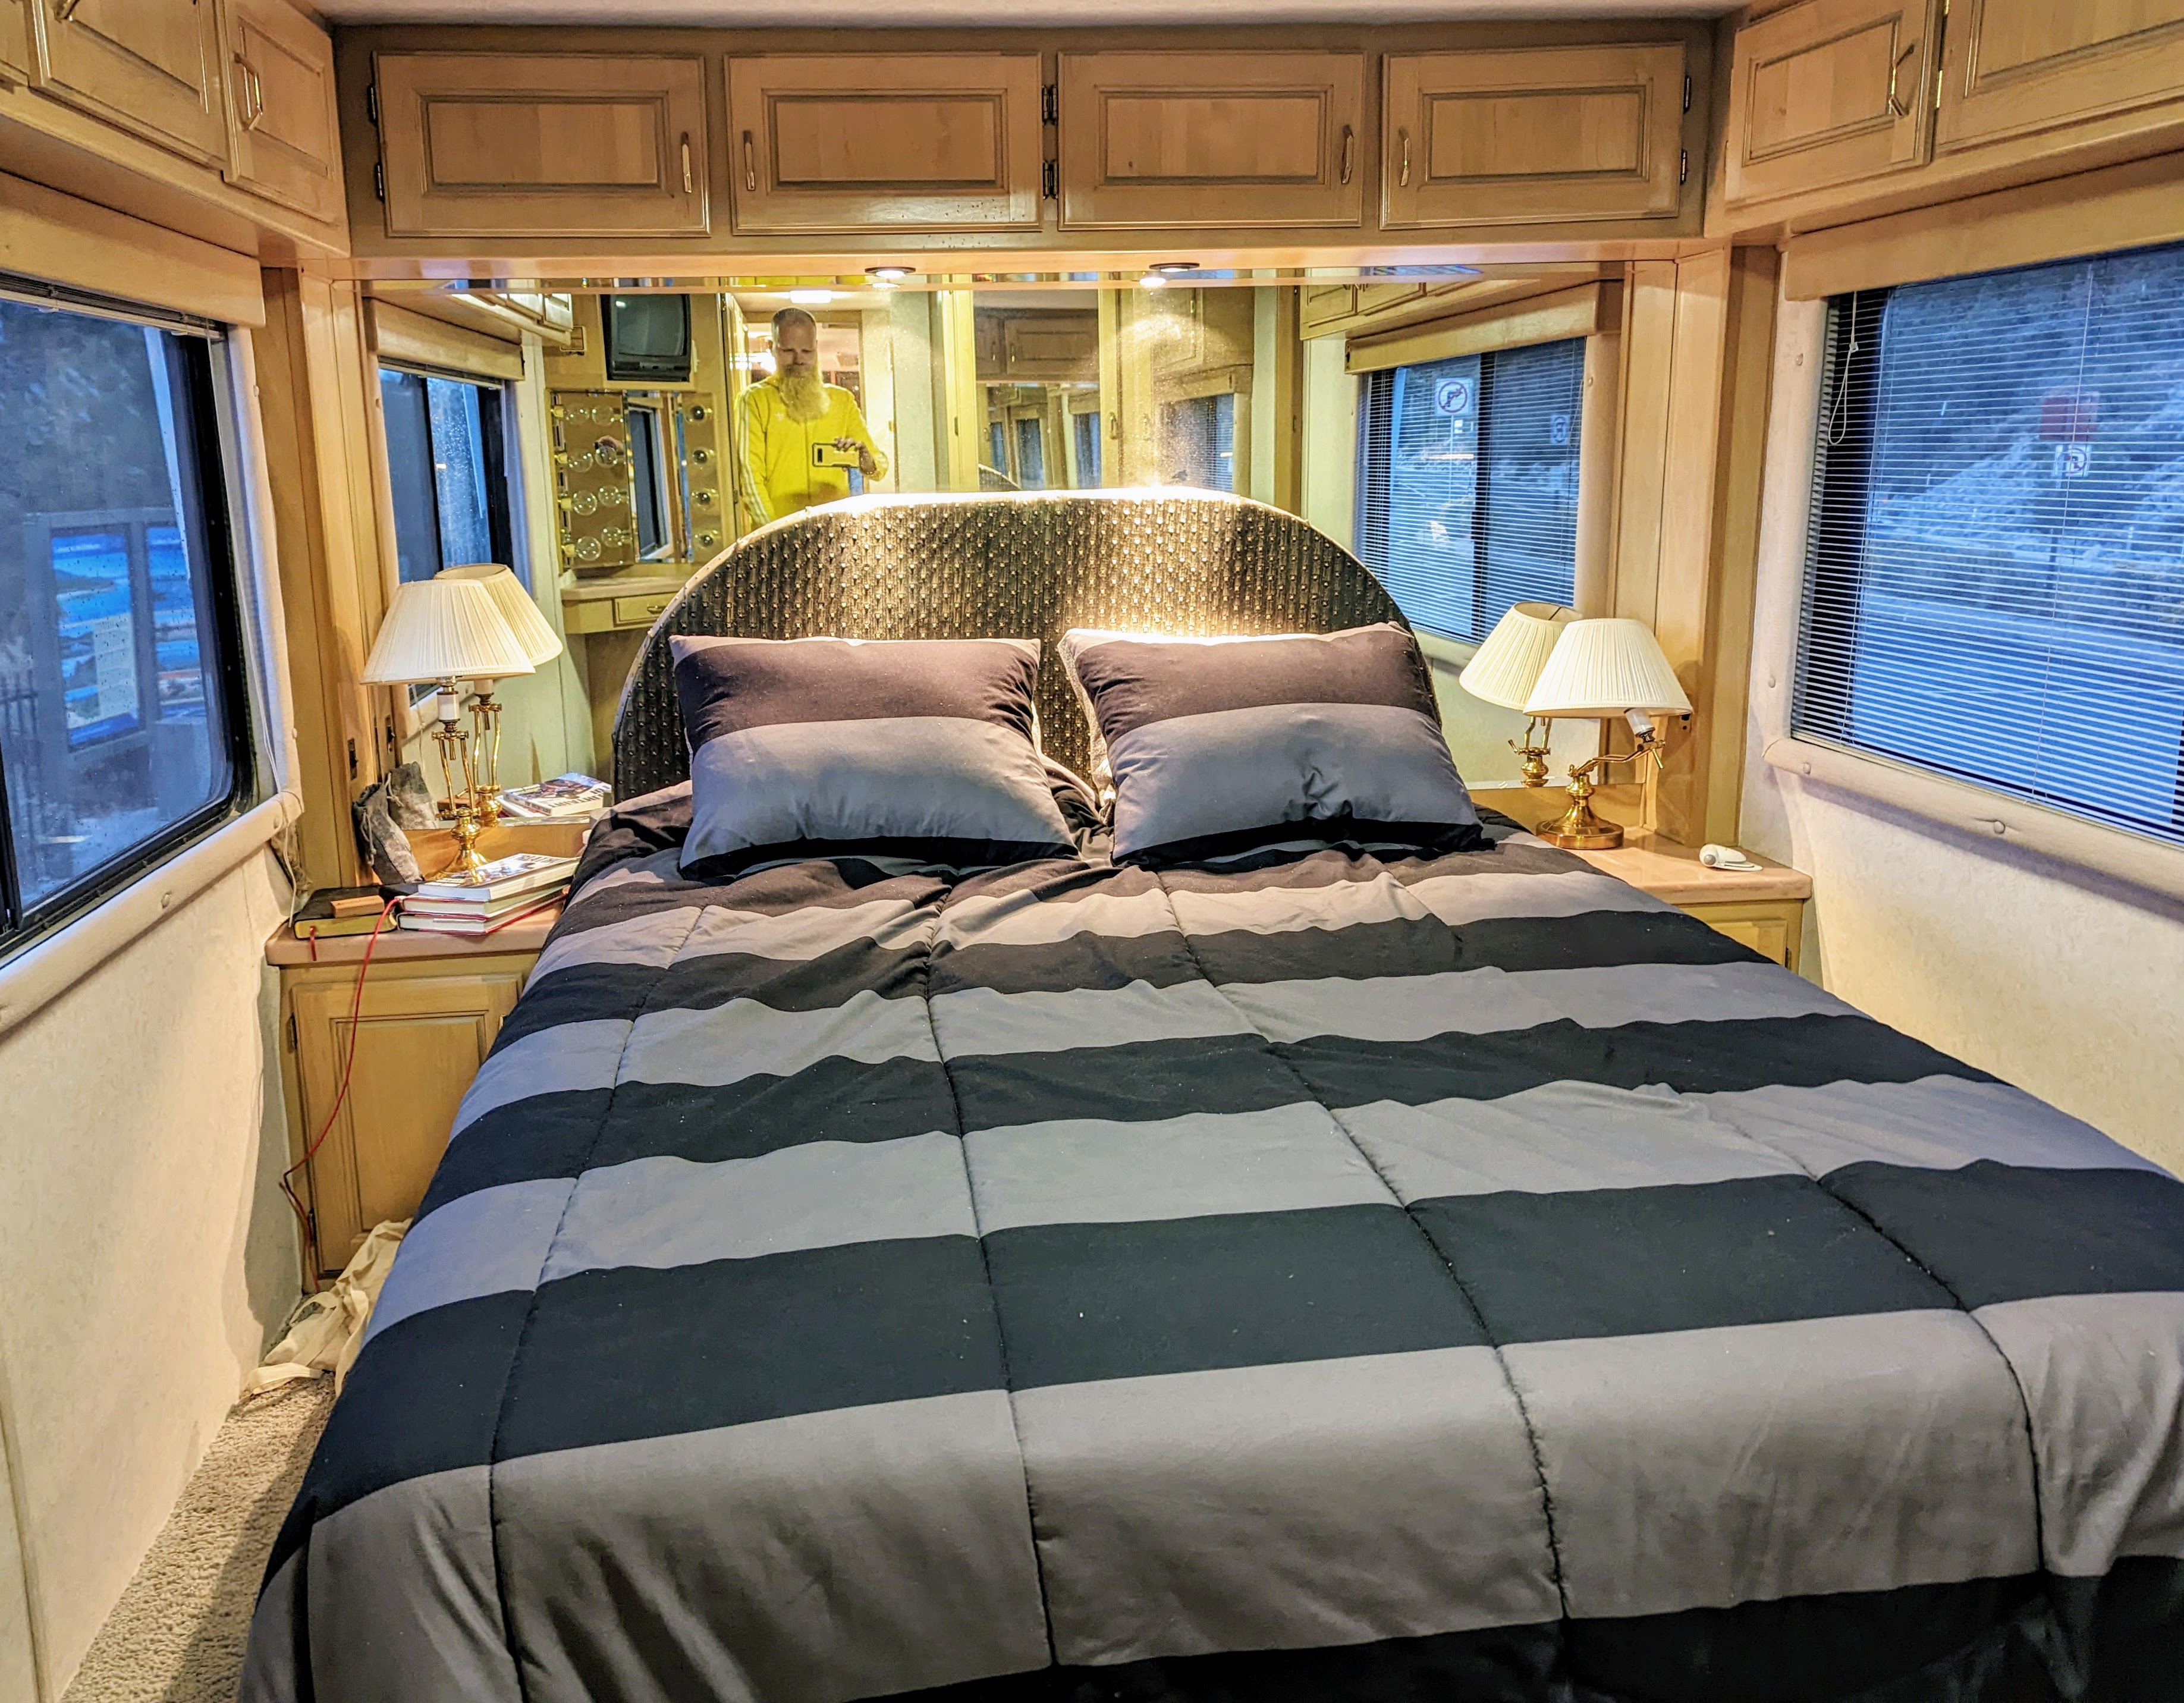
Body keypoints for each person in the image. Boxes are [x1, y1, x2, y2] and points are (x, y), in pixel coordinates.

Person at [734, 306, 888, 524]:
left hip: (835, 529)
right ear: (772, 348)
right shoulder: (754, 400)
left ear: (816, 347)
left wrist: (865, 460)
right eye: (788, 351)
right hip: (779, 533)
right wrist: (776, 533)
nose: (799, 360)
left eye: (807, 351)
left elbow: (879, 467)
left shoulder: (842, 400)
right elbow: (750, 479)